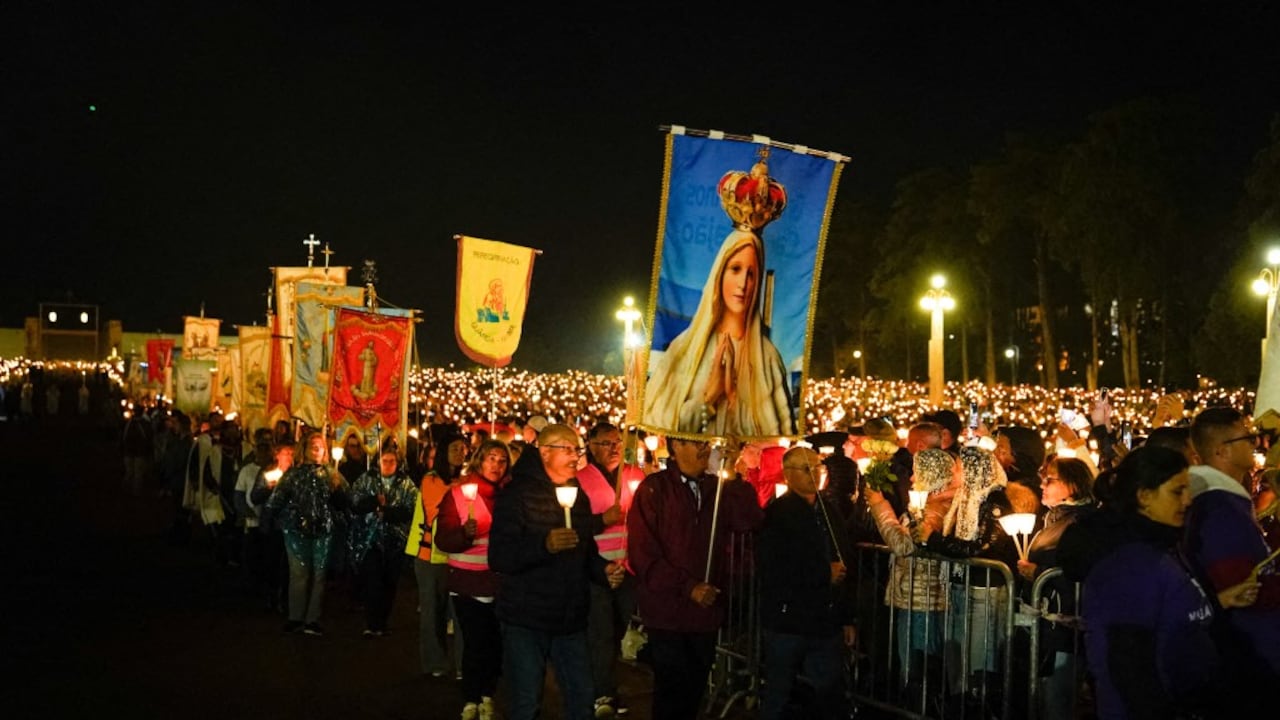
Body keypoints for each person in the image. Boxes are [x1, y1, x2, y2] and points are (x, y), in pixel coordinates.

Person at [1081, 446, 1260, 718]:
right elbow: (1130, 663)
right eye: (1177, 491)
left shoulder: (1165, 550)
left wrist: (1218, 601)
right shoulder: (1130, 564)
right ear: (1144, 497)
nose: (1188, 500)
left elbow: (1171, 616)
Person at [489, 424, 626, 720]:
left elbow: (586, 551)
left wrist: (604, 571)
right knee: (527, 700)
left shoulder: (577, 494)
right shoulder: (517, 494)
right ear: (545, 452)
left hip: (570, 617)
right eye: (567, 449)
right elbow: (500, 556)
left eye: (578, 449)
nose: (576, 456)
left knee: (581, 696)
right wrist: (544, 544)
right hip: (526, 616)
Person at [626, 437, 764, 719]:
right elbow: (644, 555)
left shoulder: (717, 487)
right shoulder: (654, 489)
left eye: (706, 443)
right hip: (667, 612)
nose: (704, 449)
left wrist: (734, 473)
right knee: (672, 692)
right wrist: (688, 587)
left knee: (694, 691)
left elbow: (748, 520)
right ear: (675, 447)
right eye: (695, 443)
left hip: (705, 612)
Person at [641, 186, 794, 437]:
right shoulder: (683, 349)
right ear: (719, 274)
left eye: (752, 274)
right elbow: (657, 430)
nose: (743, 283)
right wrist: (708, 400)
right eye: (735, 269)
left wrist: (734, 399)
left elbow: (778, 439)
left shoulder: (768, 359)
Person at [756, 446, 856, 720]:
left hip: (825, 618)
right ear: (788, 475)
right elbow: (775, 566)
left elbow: (844, 557)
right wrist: (823, 573)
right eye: (806, 468)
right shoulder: (778, 513)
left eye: (818, 468)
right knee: (779, 691)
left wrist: (846, 616)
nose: (814, 474)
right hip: (789, 618)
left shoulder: (829, 510)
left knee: (827, 692)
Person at [1185, 408, 1280, 683]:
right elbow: (1239, 586)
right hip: (1252, 652)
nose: (1254, 443)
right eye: (1246, 438)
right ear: (1221, 451)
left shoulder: (1229, 503)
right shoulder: (1218, 509)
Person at [865, 448, 956, 706]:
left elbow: (905, 545)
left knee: (918, 667)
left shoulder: (935, 509)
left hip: (923, 600)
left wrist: (879, 505)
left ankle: (920, 707)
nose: (913, 478)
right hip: (913, 595)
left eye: (918, 472)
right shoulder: (928, 504)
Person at [435, 439, 512, 720]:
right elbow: (442, 538)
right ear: (480, 460)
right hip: (467, 582)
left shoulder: (510, 495)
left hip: (500, 582)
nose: (496, 465)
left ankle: (487, 694)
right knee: (476, 640)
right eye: (491, 458)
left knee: (494, 642)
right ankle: (472, 696)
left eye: (502, 460)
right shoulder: (458, 494)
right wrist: (464, 535)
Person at [1017, 456, 1096, 720]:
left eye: (1050, 480)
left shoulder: (1081, 524)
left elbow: (1077, 570)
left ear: (1072, 485)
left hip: (1065, 627)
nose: (1042, 484)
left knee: (1057, 700)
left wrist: (1038, 574)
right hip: (1049, 626)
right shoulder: (1055, 519)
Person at [578, 422, 645, 717]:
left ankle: (605, 683)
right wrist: (603, 519)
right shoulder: (579, 480)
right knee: (600, 633)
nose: (614, 447)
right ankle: (601, 693)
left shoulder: (635, 475)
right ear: (591, 446)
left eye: (617, 442)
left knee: (618, 630)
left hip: (628, 568)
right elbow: (575, 525)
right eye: (606, 443)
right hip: (597, 569)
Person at [263, 432, 350, 635]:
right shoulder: (293, 474)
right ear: (304, 448)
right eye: (312, 444)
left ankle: (312, 619)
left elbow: (346, 503)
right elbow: (276, 500)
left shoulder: (332, 474)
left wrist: (337, 490)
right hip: (295, 531)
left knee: (319, 574)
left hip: (323, 530)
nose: (316, 448)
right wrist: (268, 520)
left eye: (320, 445)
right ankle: (296, 617)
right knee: (299, 574)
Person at [349, 447, 418, 636]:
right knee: (373, 581)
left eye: (391, 461)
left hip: (395, 541)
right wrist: (373, 501)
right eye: (384, 461)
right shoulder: (366, 479)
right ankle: (372, 622)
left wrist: (388, 513)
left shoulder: (406, 484)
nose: (388, 465)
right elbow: (354, 502)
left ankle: (382, 621)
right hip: (370, 540)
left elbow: (411, 509)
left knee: (390, 582)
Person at [407, 437, 456, 677]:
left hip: (454, 555)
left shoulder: (459, 480)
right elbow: (441, 504)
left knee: (450, 612)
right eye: (454, 448)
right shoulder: (432, 479)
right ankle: (434, 661)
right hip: (428, 554)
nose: (460, 453)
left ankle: (454, 660)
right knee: (431, 610)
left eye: (463, 449)